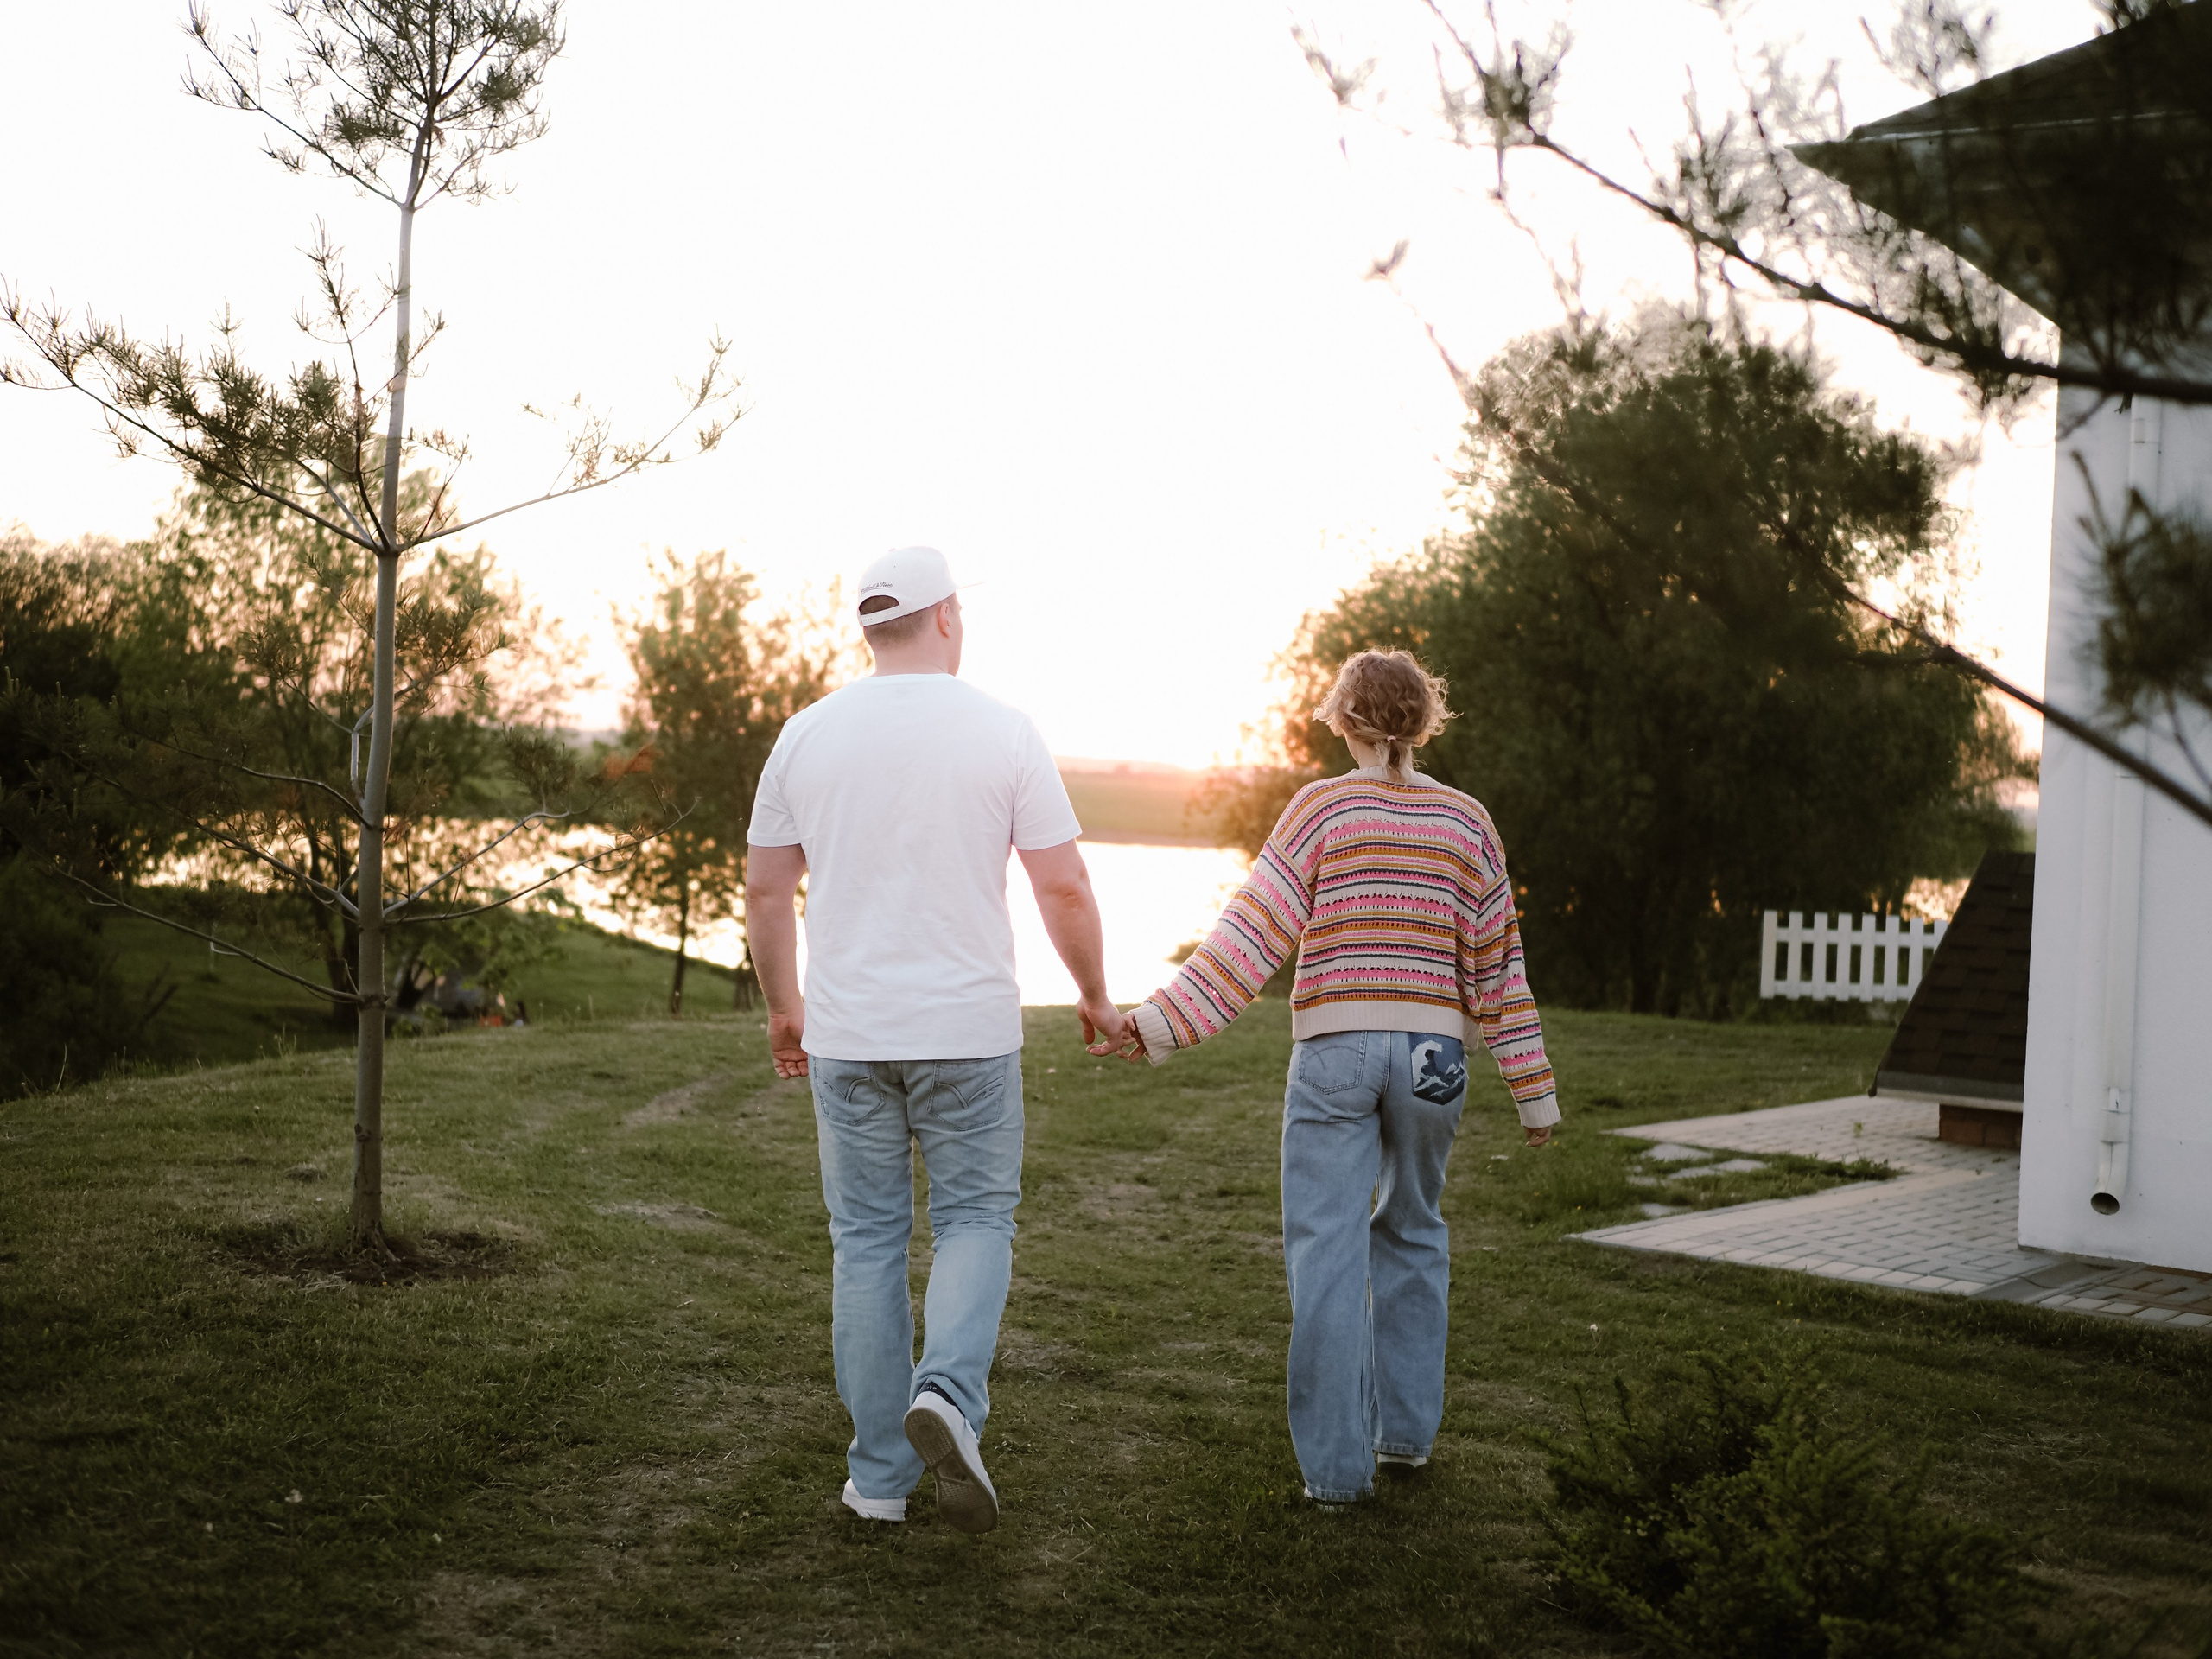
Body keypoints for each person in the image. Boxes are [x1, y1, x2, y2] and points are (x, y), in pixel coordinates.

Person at [1094, 649, 1560, 1508]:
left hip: (1337, 1048)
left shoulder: (1319, 809)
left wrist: (1156, 1023)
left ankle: (1337, 1475)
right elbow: (1501, 967)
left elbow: (1251, 933)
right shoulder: (1469, 824)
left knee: (1328, 1250)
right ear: (1423, 723)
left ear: (1344, 719)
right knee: (1416, 1230)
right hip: (1434, 1060)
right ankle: (1408, 1438)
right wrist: (1533, 1092)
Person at [746, 546, 1130, 1534]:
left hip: (846, 1034)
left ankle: (877, 1479)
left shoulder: (804, 735)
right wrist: (1092, 992)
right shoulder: (1002, 731)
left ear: (873, 629)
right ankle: (948, 1398)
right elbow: (1062, 885)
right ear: (947, 617)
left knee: (865, 1244)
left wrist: (784, 1007)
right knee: (972, 1222)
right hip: (966, 1033)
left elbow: (766, 889)